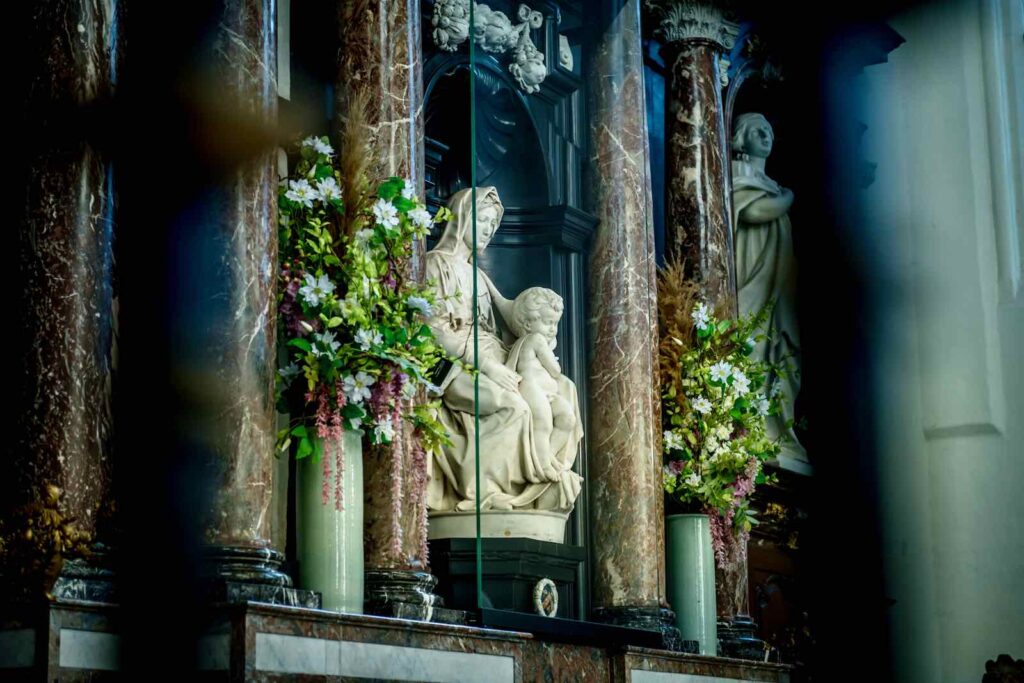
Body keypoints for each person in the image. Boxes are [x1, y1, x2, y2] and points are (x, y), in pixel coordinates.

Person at [424, 187, 583, 513]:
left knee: (564, 390)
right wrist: (488, 366)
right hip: (450, 364)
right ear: (461, 219)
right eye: (482, 220)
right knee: (514, 405)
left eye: (493, 225)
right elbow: (433, 331)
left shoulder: (478, 275)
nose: (488, 230)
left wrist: (542, 325)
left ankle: (543, 470)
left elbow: (510, 314)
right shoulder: (435, 266)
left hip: (495, 356)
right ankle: (483, 491)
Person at [730, 113, 807, 468]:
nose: (765, 135)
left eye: (769, 130)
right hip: (752, 276)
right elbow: (756, 211)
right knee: (753, 349)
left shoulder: (771, 184)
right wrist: (789, 196)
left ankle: (779, 435)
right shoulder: (739, 174)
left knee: (783, 356)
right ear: (740, 139)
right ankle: (751, 432)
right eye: (756, 130)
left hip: (779, 286)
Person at [505, 287, 577, 481]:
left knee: (567, 419)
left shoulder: (534, 339)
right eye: (547, 322)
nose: (553, 329)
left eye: (555, 323)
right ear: (528, 323)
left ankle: (546, 457)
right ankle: (542, 464)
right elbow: (555, 370)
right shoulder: (535, 339)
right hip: (532, 389)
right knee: (543, 423)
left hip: (548, 393)